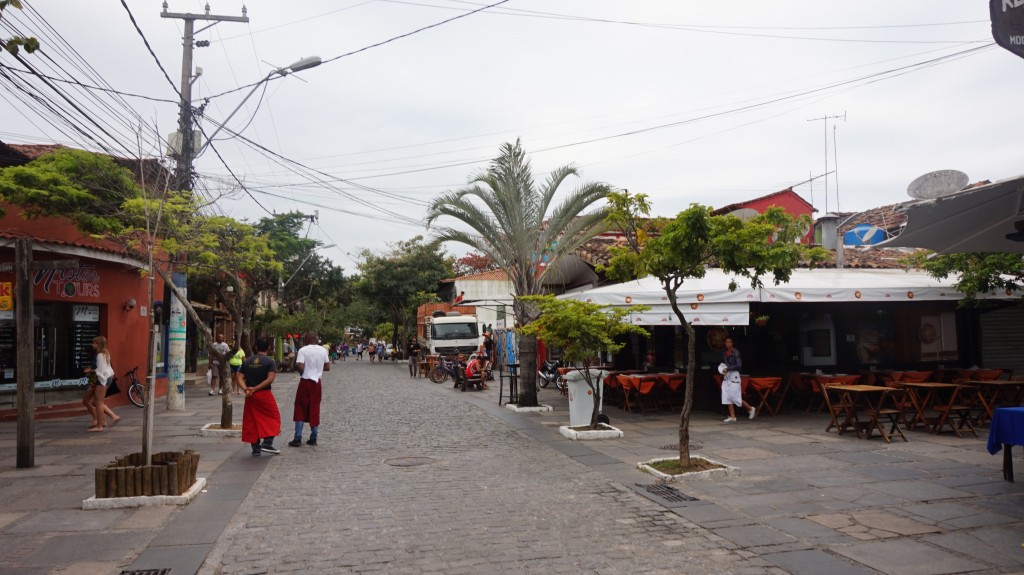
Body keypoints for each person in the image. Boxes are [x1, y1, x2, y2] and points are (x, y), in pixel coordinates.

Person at [239, 338, 281, 456]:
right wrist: (256, 388)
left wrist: (246, 389)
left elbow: (239, 378)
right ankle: (267, 443)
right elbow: (270, 379)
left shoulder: (247, 361)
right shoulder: (270, 361)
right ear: (268, 348)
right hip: (264, 394)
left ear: (256, 347)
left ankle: (256, 448)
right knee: (274, 417)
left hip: (250, 395)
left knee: (252, 420)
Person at [290, 331, 330, 447]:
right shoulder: (323, 350)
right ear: (315, 339)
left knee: (300, 407)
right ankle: (313, 437)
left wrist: (301, 370)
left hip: (305, 382)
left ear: (307, 339)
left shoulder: (303, 350)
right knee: (315, 407)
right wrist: (317, 369)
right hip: (317, 383)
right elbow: (327, 367)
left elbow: (301, 367)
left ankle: (297, 438)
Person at [82, 335, 119, 431]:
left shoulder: (100, 355)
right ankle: (103, 421)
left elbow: (101, 371)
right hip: (106, 378)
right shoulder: (105, 353)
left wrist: (92, 371)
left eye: (94, 343)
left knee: (98, 402)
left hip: (102, 379)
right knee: (98, 402)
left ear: (98, 344)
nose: (92, 344)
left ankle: (99, 425)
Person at [721, 337, 756, 423]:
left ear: (732, 343)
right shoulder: (725, 353)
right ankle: (732, 416)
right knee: (727, 396)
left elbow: (739, 365)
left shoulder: (735, 352)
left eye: (729, 342)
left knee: (735, 397)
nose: (728, 344)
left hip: (734, 375)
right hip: (727, 375)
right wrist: (723, 369)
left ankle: (750, 409)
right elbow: (725, 365)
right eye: (726, 342)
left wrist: (728, 368)